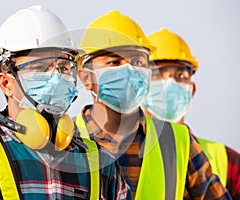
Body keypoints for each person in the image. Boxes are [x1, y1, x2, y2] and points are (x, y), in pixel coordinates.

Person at [0, 5, 131, 199]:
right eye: (39, 67)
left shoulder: (101, 164)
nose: (56, 77)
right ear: (6, 83)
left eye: (64, 67)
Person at [76, 10, 232, 199]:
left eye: (137, 61)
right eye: (114, 62)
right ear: (86, 77)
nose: (129, 70)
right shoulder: (66, 139)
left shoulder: (178, 142)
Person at [143, 27, 240, 199]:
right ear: (141, 88)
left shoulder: (229, 160)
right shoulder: (124, 154)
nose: (170, 84)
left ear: (192, 90)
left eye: (180, 75)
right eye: (158, 75)